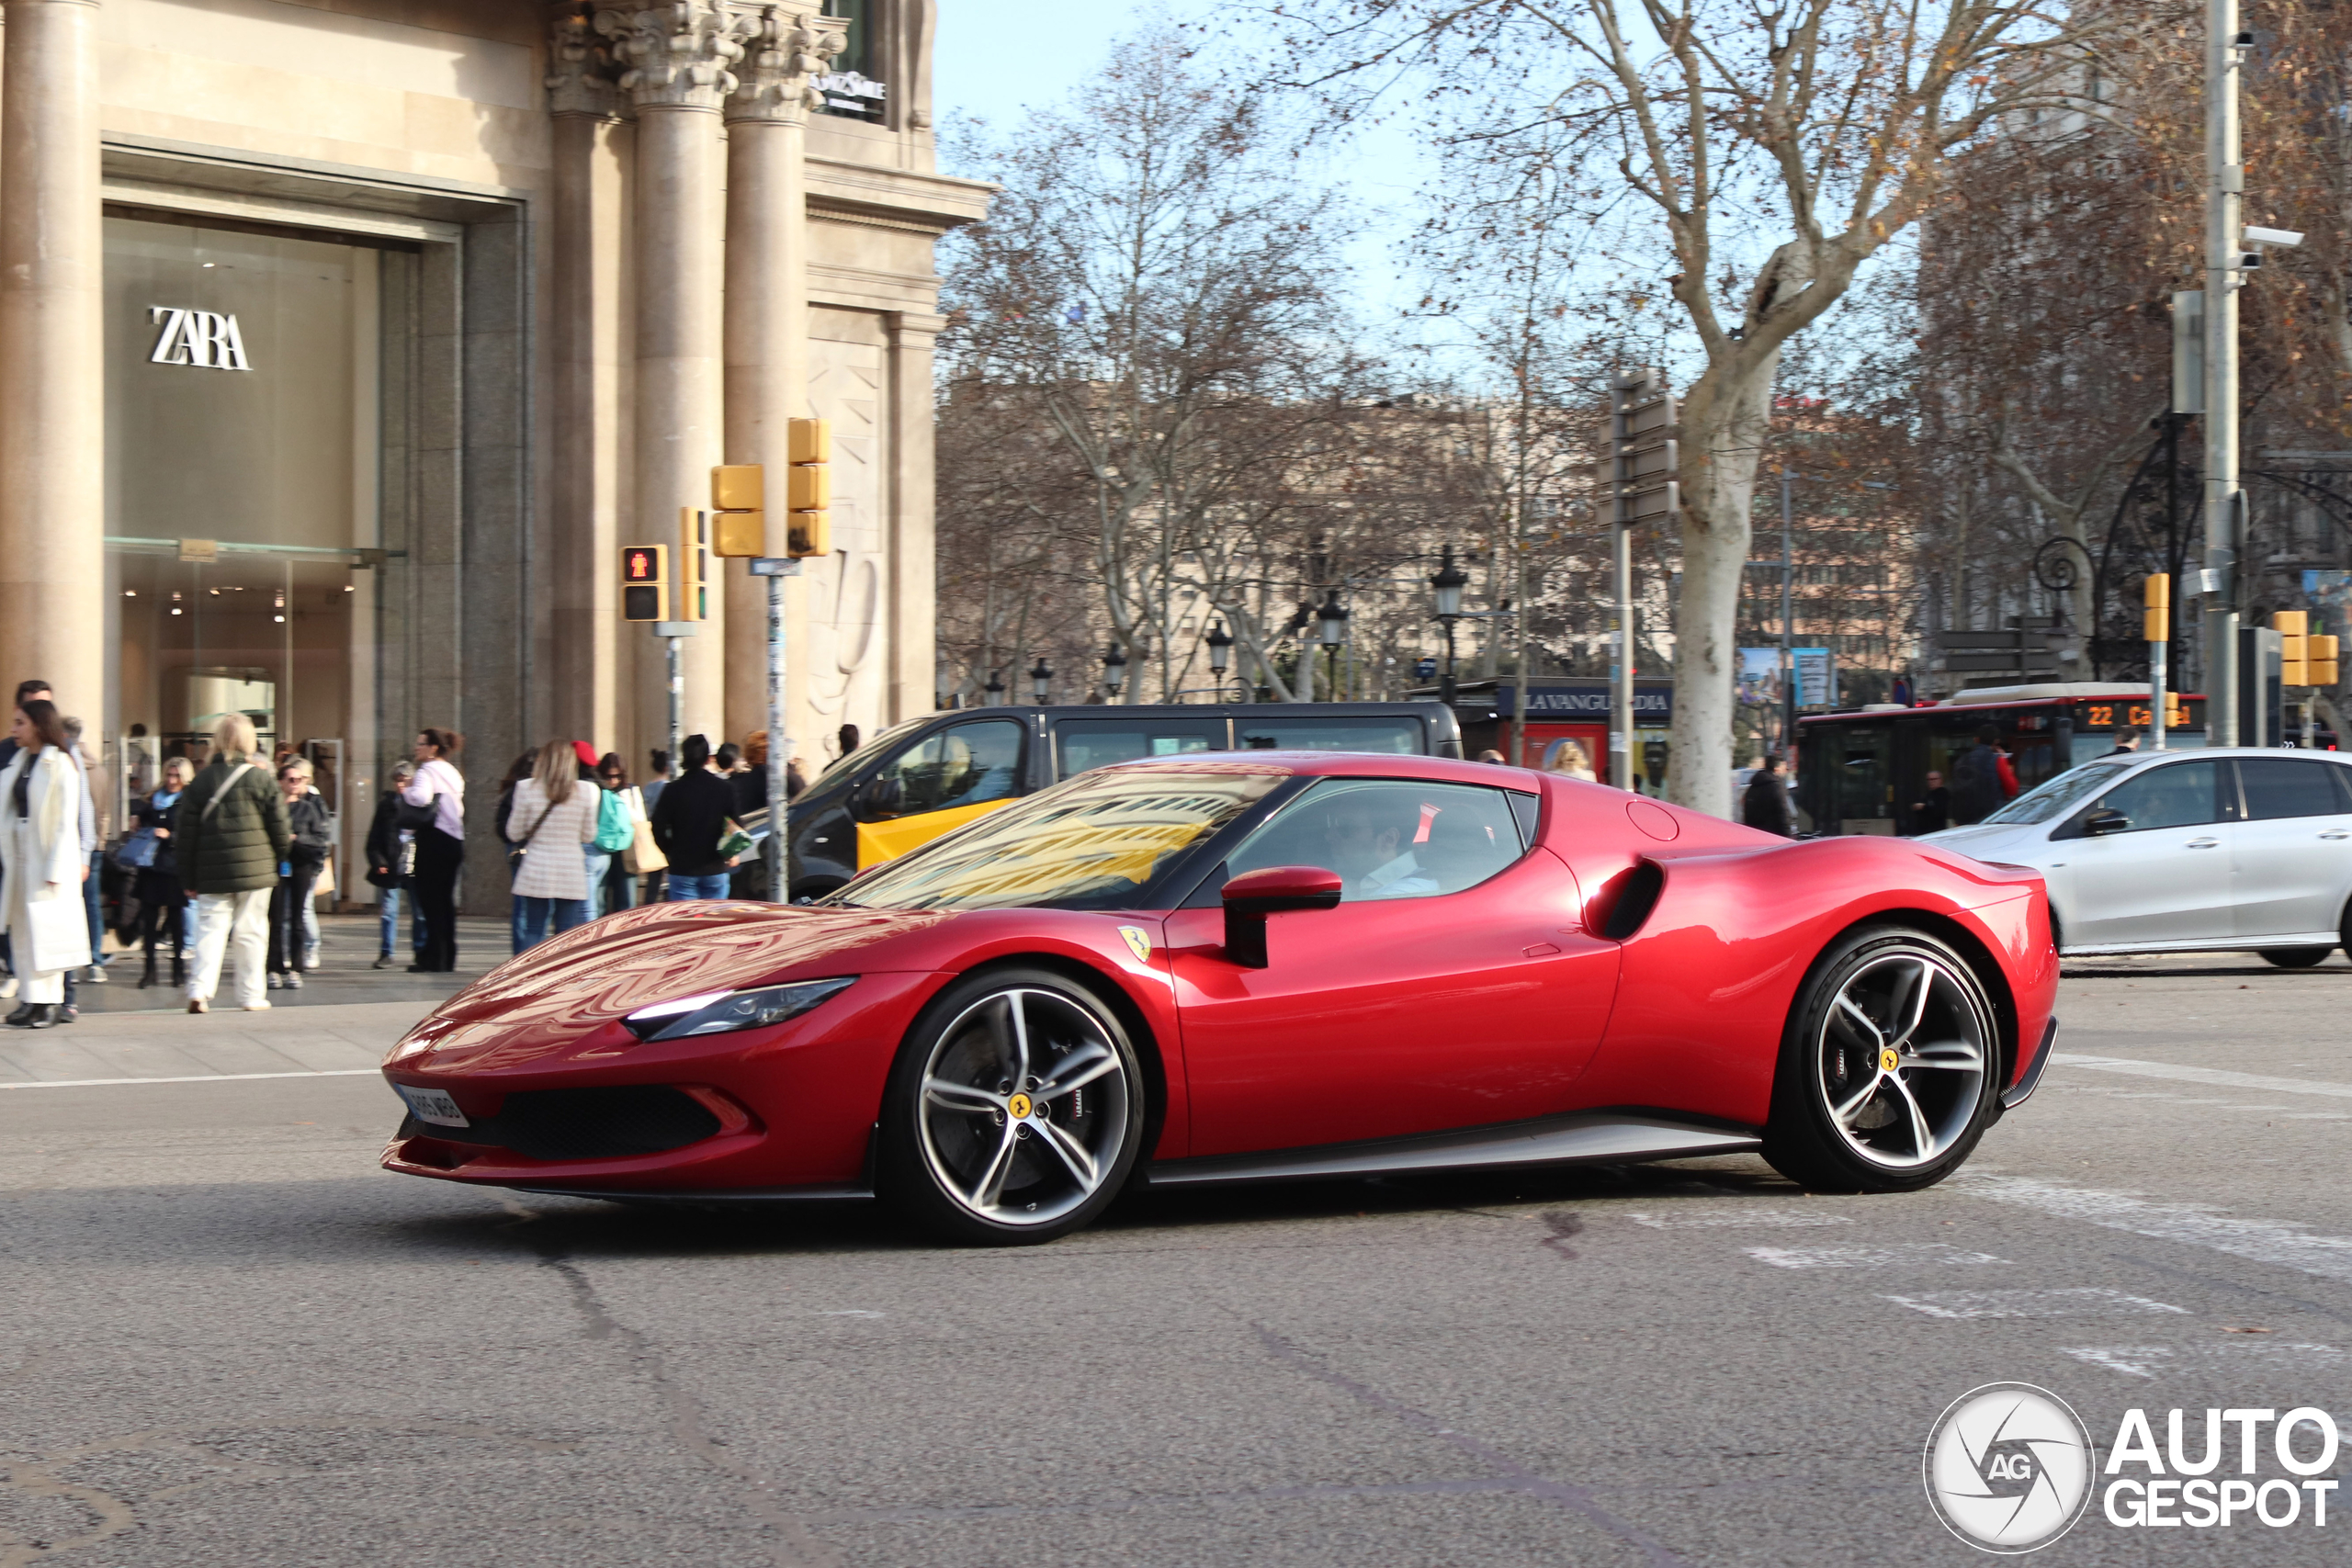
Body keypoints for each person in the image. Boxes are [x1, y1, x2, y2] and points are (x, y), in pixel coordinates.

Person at [174, 713, 288, 1014]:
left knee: (210, 929)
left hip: (211, 870)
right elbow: (279, 826)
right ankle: (251, 995)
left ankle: (199, 989)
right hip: (255, 869)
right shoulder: (260, 777)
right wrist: (280, 857)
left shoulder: (201, 781)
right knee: (251, 931)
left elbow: (185, 835)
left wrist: (187, 879)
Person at [0, 701, 93, 1028]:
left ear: (38, 725)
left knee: (47, 930)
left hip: (50, 856)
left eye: (19, 722)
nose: (14, 729)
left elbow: (66, 821)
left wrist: (55, 867)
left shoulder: (62, 763)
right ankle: (31, 999)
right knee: (22, 929)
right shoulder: (22, 761)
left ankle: (50, 1003)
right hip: (21, 851)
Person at [507, 739, 603, 952]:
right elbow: (589, 835)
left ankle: (526, 978)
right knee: (566, 932)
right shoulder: (588, 790)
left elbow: (513, 832)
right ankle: (558, 980)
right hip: (570, 869)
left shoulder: (525, 788)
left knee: (534, 928)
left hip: (535, 867)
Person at [401, 728, 466, 972]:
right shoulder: (452, 771)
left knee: (429, 902)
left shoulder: (426, 771)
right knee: (445, 902)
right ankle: (447, 956)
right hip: (454, 839)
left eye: (421, 744)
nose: (416, 748)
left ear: (433, 748)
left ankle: (432, 957)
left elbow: (420, 798)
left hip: (433, 840)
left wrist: (406, 789)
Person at [267, 758, 333, 990]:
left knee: (298, 917)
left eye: (299, 779)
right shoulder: (273, 807)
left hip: (301, 864)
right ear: (281, 782)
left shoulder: (308, 808)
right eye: (291, 779)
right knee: (275, 918)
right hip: (277, 866)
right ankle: (273, 967)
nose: (296, 783)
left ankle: (295, 968)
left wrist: (296, 839)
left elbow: (319, 839)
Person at [650, 733, 740, 900]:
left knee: (688, 922)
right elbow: (736, 826)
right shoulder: (725, 788)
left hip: (683, 867)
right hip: (715, 866)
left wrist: (670, 851)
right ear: (708, 759)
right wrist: (730, 852)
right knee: (714, 921)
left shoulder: (672, 790)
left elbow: (657, 826)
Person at [130, 757, 193, 988]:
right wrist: (138, 822)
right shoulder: (154, 798)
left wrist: (171, 836)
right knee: (149, 920)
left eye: (177, 776)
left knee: (176, 920)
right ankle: (149, 971)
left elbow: (192, 834)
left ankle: (178, 970)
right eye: (169, 774)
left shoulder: (188, 801)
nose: (172, 780)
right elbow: (141, 815)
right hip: (151, 864)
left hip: (174, 866)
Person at [365, 761, 423, 970]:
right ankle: (387, 953)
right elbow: (374, 837)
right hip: (391, 865)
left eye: (404, 780)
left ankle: (421, 951)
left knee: (420, 912)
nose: (400, 785)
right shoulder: (387, 805)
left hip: (416, 864)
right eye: (397, 781)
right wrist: (378, 861)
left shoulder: (420, 803)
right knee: (389, 911)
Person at [1322, 795, 1439, 898]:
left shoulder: (1404, 894)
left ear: (1389, 839)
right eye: (1330, 824)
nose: (1329, 836)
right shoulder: (1362, 881)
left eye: (1345, 828)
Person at [594, 751, 643, 914]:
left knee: (626, 902)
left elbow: (640, 819)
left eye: (617, 776)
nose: (613, 781)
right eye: (609, 777)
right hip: (602, 849)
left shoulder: (630, 790)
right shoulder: (596, 792)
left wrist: (622, 802)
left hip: (626, 851)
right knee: (599, 901)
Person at [1949, 725, 2016, 825]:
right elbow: (2012, 790)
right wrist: (2005, 760)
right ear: (1996, 741)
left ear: (1976, 740)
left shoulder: (1961, 761)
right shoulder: (1998, 760)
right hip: (1991, 819)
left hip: (1965, 820)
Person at [639, 749, 673, 904]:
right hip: (668, 831)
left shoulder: (648, 786)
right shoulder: (668, 786)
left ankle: (648, 906)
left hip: (652, 831)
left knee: (654, 877)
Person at [1741, 751, 1797, 837]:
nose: (1786, 769)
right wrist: (1789, 838)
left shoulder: (1753, 787)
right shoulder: (1776, 787)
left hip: (1756, 837)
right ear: (1776, 768)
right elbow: (1783, 814)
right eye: (1784, 766)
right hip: (1775, 837)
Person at [1910, 770, 1951, 836]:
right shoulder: (1928, 794)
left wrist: (1924, 807)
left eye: (1933, 779)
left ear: (1940, 780)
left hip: (1936, 831)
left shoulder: (1943, 793)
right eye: (1928, 780)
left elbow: (1939, 811)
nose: (1931, 782)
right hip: (1924, 831)